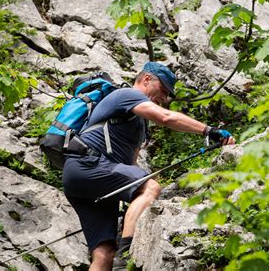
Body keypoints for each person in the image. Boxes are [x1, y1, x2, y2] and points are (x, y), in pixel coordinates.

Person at [62, 61, 235, 270]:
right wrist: (208, 130)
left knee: (104, 253)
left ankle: (117, 259)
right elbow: (166, 117)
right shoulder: (127, 95)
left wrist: (133, 201)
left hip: (80, 177)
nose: (165, 98)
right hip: (88, 164)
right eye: (163, 90)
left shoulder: (140, 124)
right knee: (151, 187)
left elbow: (130, 164)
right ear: (146, 79)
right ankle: (126, 260)